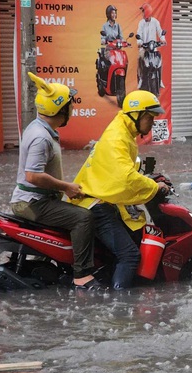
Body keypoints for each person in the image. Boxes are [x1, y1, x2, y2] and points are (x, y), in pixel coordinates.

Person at [10, 73, 102, 290]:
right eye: (70, 105)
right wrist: (66, 186)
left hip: (36, 199)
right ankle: (82, 276)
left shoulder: (40, 129)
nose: (72, 109)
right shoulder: (41, 137)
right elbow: (32, 175)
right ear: (60, 109)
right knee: (83, 218)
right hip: (32, 203)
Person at [70, 90, 170, 289]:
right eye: (149, 117)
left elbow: (123, 168)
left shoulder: (123, 131)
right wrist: (154, 186)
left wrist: (147, 178)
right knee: (130, 256)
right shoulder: (118, 138)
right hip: (96, 204)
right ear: (136, 115)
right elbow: (125, 176)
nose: (152, 123)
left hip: (100, 198)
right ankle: (120, 306)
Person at [137, 3, 166, 89]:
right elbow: (139, 34)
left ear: (146, 12)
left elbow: (160, 33)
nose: (142, 14)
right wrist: (139, 42)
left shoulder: (155, 22)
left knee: (159, 60)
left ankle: (160, 79)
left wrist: (163, 39)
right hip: (144, 48)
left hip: (153, 48)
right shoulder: (141, 23)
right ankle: (141, 79)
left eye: (143, 11)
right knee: (139, 58)